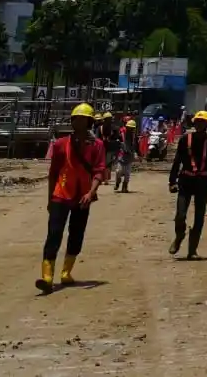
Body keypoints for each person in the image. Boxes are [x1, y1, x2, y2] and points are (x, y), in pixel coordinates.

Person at [37, 104, 107, 293]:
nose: (80, 123)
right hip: (61, 195)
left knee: (77, 233)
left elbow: (100, 171)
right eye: (77, 119)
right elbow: (53, 173)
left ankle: (66, 272)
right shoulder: (60, 144)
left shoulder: (97, 145)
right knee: (54, 233)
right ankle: (47, 275)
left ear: (90, 122)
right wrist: (50, 198)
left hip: (83, 197)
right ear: (72, 122)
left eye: (84, 120)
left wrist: (91, 193)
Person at [168, 109, 207, 260]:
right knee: (180, 215)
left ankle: (192, 250)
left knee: (199, 217)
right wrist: (172, 181)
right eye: (198, 122)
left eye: (203, 123)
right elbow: (177, 161)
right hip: (186, 180)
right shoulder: (185, 140)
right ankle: (179, 237)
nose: (199, 125)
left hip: (203, 183)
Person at [115, 116, 139, 192]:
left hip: (129, 156)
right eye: (129, 128)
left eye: (132, 128)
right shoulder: (121, 133)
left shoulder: (134, 137)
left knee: (127, 173)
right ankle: (118, 181)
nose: (130, 130)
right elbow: (118, 143)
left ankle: (125, 186)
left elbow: (136, 146)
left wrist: (137, 153)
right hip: (121, 154)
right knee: (118, 171)